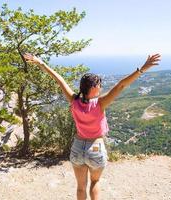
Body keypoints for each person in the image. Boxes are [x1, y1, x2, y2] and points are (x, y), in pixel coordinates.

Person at [24, 53, 161, 200]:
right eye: (100, 85)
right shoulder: (100, 103)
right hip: (95, 148)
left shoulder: (73, 100)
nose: (101, 88)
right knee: (95, 182)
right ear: (94, 87)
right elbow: (121, 85)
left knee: (80, 187)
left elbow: (59, 79)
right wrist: (141, 69)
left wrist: (40, 63)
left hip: (77, 148)